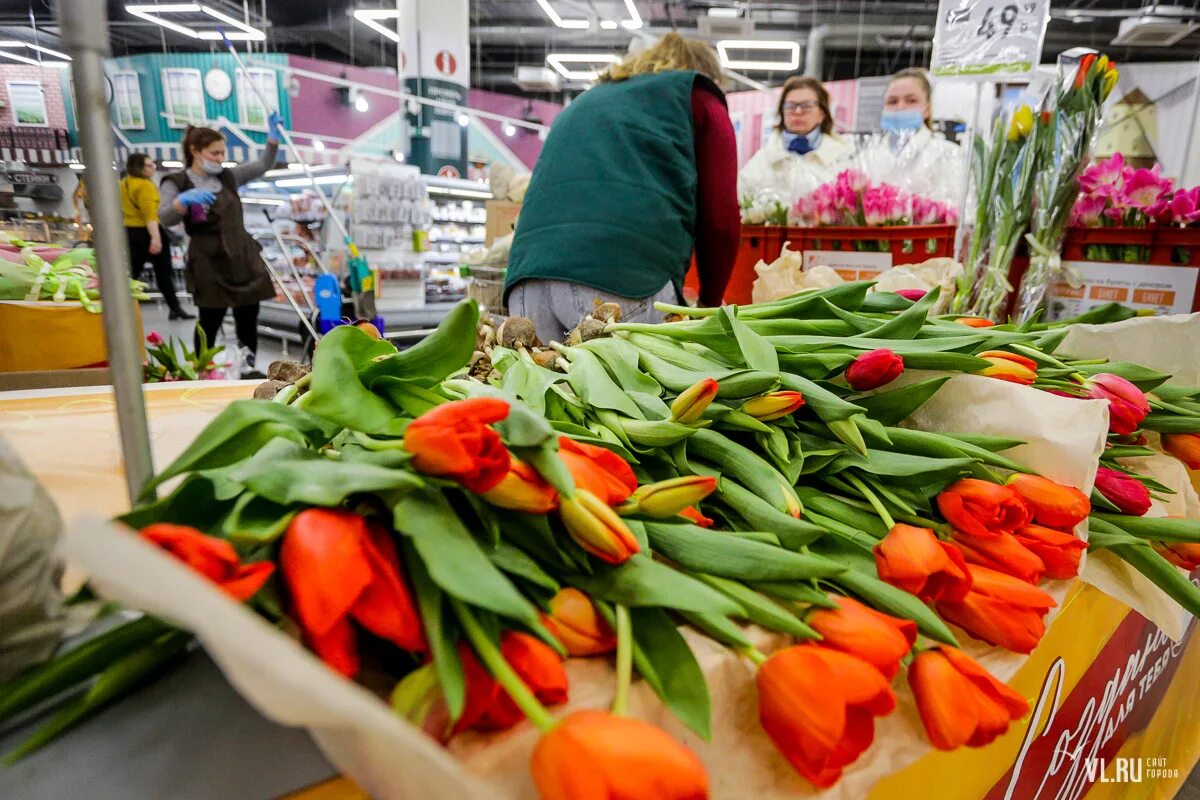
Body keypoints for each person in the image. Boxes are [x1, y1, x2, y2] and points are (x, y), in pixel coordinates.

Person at [505, 33, 739, 341]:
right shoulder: (697, 95)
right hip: (620, 283)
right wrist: (710, 304)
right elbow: (720, 219)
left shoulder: (587, 99)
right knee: (637, 389)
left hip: (525, 284)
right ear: (707, 73)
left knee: (542, 388)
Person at [159, 115, 281, 374]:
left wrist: (272, 137)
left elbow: (263, 163)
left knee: (247, 318)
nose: (220, 158)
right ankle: (203, 369)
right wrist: (183, 201)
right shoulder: (175, 182)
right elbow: (165, 216)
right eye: (214, 153)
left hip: (242, 256)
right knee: (209, 320)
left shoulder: (229, 177)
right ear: (195, 151)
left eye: (222, 152)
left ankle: (248, 368)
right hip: (208, 261)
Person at [859, 68, 966, 205]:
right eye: (892, 101)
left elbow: (960, 210)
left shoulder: (948, 154)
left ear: (926, 110)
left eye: (911, 100)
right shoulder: (867, 157)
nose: (900, 107)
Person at [738, 76, 851, 205]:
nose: (797, 111)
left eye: (807, 106)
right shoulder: (763, 159)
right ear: (782, 112)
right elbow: (740, 200)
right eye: (790, 106)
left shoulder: (841, 158)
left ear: (822, 114)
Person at [121, 153, 191, 320]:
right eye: (149, 166)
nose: (153, 168)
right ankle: (175, 308)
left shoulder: (123, 184)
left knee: (132, 272)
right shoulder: (145, 186)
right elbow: (150, 215)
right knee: (164, 273)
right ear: (139, 167)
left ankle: (122, 306)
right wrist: (156, 238)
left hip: (130, 232)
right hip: (148, 231)